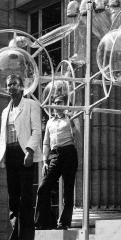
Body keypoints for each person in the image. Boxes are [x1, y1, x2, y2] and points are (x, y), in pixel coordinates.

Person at [0, 74, 43, 240]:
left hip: (25, 154)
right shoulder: (5, 112)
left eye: (14, 84)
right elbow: (2, 139)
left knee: (25, 200)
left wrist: (29, 151)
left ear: (22, 87)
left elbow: (37, 131)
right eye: (9, 85)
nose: (11, 87)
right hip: (11, 155)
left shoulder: (31, 105)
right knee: (13, 201)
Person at [34, 95, 80, 231]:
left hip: (69, 152)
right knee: (43, 188)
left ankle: (64, 222)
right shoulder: (50, 122)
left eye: (59, 102)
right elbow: (46, 142)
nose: (56, 105)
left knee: (68, 189)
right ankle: (44, 221)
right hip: (55, 154)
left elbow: (78, 139)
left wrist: (72, 124)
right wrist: (45, 161)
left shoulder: (71, 119)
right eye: (54, 103)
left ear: (65, 104)